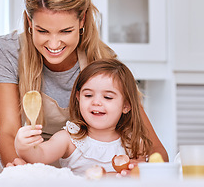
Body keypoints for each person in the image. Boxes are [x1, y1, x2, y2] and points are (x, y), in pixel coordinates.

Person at [0, 0, 167, 177]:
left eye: (65, 31)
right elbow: (8, 132)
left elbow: (157, 151)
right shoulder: (7, 51)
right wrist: (21, 173)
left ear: (81, 21)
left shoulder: (102, 61)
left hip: (76, 171)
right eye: (42, 31)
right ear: (29, 22)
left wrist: (138, 169)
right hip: (23, 161)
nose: (53, 44)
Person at [14, 59, 152, 176]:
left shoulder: (134, 142)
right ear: (78, 97)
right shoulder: (69, 139)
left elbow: (143, 176)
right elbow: (40, 156)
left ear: (126, 106)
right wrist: (23, 147)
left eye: (107, 97)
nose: (96, 102)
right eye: (88, 95)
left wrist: (139, 169)